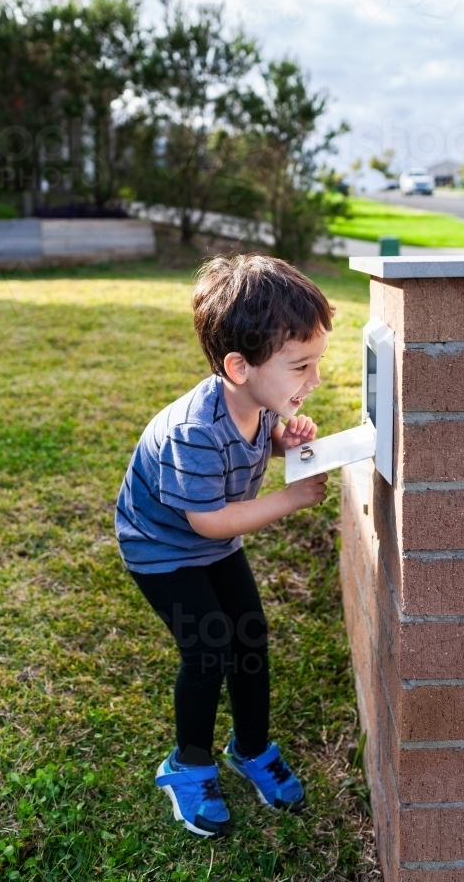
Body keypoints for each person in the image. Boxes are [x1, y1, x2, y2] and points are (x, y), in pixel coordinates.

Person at [115, 254, 333, 838]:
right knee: (208, 649)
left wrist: (286, 442)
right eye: (301, 366)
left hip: (212, 542)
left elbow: (257, 449)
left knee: (250, 637)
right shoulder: (195, 430)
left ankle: (252, 748)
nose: (314, 380)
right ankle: (187, 765)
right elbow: (209, 520)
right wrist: (292, 497)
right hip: (161, 548)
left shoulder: (259, 403)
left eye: (317, 363)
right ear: (239, 367)